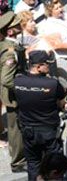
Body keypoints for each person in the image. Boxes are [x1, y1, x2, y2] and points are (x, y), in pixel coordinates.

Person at [14, 50, 65, 180]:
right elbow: (62, 100)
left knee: (33, 164)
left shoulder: (18, 82)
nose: (49, 66)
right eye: (46, 64)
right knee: (55, 165)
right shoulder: (52, 84)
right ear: (38, 67)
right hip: (49, 132)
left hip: (28, 132)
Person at [0, 11, 27, 173]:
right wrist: (23, 88)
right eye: (17, 25)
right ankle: (17, 162)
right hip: (13, 96)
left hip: (11, 95)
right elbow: (6, 79)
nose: (20, 26)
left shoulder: (8, 45)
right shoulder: (10, 52)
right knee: (15, 129)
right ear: (10, 31)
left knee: (16, 127)